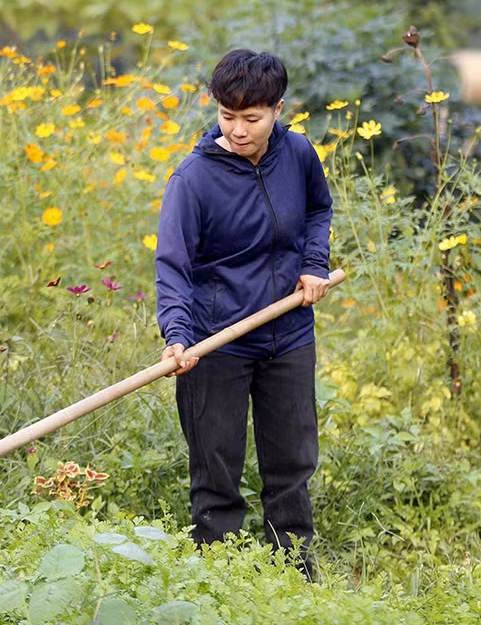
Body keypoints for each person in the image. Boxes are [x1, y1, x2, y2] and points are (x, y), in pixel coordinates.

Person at [154, 49, 334, 577]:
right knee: (216, 470)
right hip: (217, 342)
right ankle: (222, 581)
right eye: (226, 116)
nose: (237, 130)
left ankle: (295, 578)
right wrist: (178, 336)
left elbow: (319, 209)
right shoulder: (193, 179)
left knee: (292, 466)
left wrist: (313, 264)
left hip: (289, 333)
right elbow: (174, 265)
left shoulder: (298, 154)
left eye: (251, 119)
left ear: (278, 109)